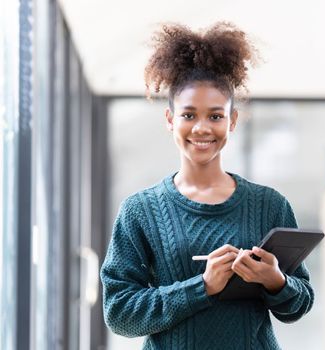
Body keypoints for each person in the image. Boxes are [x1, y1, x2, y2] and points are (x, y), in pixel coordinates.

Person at [100, 22, 314, 349]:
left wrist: (276, 281)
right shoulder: (139, 211)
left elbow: (300, 304)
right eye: (189, 115)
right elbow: (119, 313)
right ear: (170, 120)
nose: (202, 128)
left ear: (233, 121)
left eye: (215, 116)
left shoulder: (270, 204)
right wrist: (203, 287)